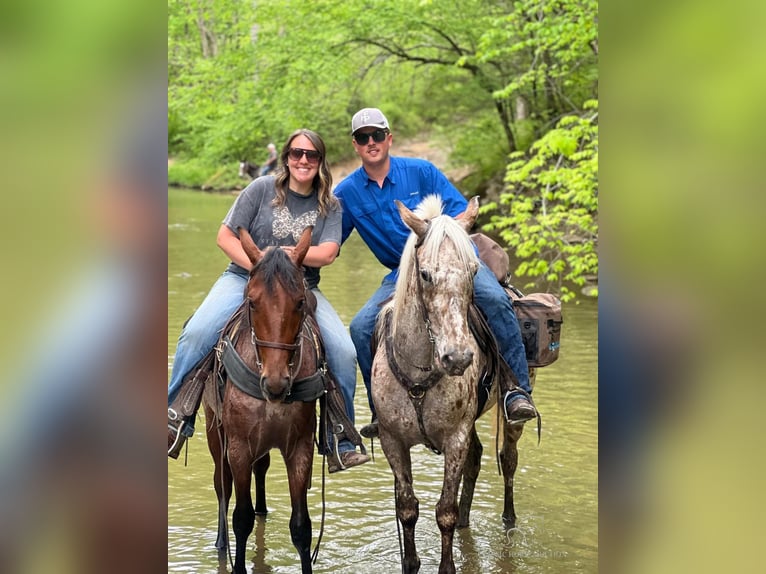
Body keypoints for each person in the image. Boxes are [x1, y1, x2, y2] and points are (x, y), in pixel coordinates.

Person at [168, 129, 369, 472]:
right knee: (198, 331)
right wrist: (261, 268)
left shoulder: (330, 204)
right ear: (286, 158)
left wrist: (289, 266)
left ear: (320, 161)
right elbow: (224, 236)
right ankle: (175, 415)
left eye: (311, 155)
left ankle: (341, 437)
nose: (303, 160)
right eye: (296, 153)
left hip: (300, 288)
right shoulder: (260, 189)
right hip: (244, 278)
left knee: (344, 351)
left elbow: (329, 252)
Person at [334, 108, 538, 439]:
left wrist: (436, 235)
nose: (370, 142)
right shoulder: (347, 193)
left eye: (376, 135)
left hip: (453, 260)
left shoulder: (422, 171)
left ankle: (516, 390)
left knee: (496, 301)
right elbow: (329, 243)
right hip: (402, 274)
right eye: (362, 137)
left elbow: (460, 214)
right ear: (355, 145)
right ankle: (379, 408)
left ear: (389, 138)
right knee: (359, 326)